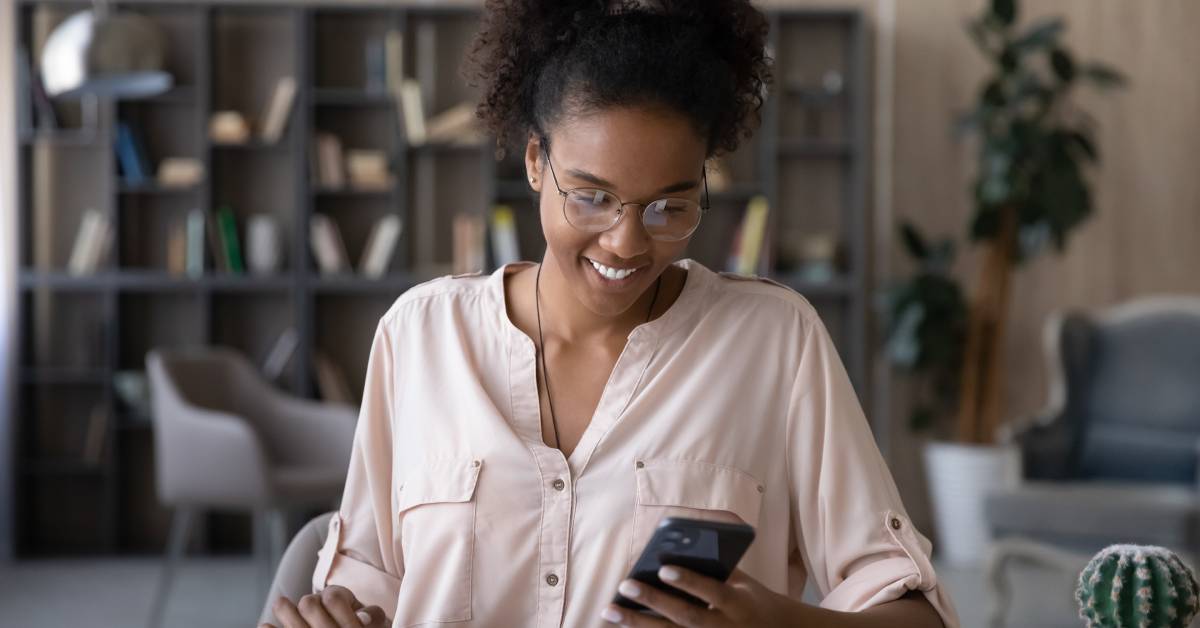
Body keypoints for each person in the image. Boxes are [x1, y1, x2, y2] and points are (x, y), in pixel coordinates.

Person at [264, 1, 959, 626]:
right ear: (537, 161)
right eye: (591, 197)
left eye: (670, 207)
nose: (628, 243)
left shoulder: (774, 343)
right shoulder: (420, 337)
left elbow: (914, 610)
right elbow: (363, 582)